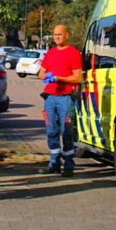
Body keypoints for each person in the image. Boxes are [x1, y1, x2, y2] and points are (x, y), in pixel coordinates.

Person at [37, 24, 82, 176]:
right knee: (51, 130)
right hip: (50, 97)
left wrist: (59, 78)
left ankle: (69, 165)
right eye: (55, 35)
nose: (57, 37)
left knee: (66, 131)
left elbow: (78, 77)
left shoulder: (73, 53)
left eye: (60, 34)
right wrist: (46, 76)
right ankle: (54, 163)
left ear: (66, 35)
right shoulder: (50, 53)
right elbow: (41, 73)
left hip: (66, 97)